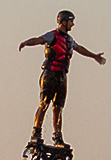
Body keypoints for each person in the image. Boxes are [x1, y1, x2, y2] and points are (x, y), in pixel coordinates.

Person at [19, 10, 106, 148]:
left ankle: (57, 137)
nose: (73, 24)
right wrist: (26, 43)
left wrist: (94, 56)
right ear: (64, 21)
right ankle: (36, 132)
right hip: (50, 75)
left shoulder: (69, 40)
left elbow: (80, 49)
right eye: (71, 21)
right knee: (44, 103)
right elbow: (38, 39)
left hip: (62, 77)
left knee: (58, 108)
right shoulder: (52, 36)